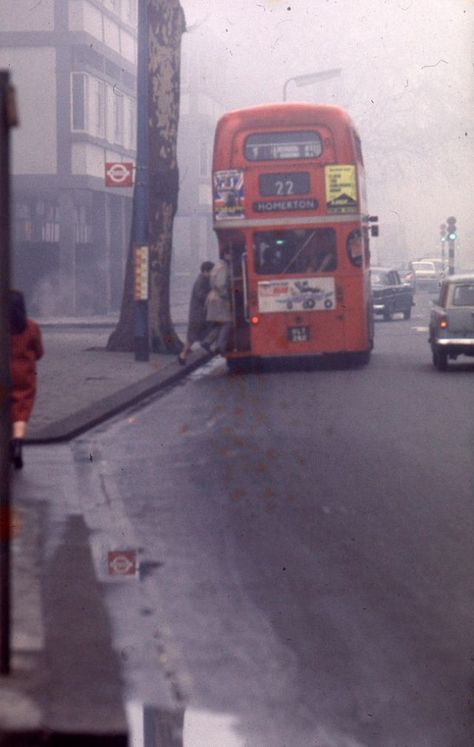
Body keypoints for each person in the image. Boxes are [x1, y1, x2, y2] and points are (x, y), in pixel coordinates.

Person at [9, 290, 43, 469]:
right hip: (25, 375)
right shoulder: (31, 327)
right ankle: (17, 443)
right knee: (22, 410)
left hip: (5, 373)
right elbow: (39, 352)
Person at [178, 261, 214, 365]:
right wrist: (210, 295)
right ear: (205, 271)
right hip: (198, 314)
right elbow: (200, 295)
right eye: (211, 271)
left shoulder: (204, 280)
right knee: (192, 337)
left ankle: (184, 355)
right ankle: (182, 355)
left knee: (195, 336)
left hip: (200, 314)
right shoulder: (201, 281)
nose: (212, 274)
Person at [203, 248, 233, 355]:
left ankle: (208, 341)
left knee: (220, 323)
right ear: (226, 255)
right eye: (230, 254)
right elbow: (220, 285)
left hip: (214, 298)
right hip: (219, 299)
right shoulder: (223, 267)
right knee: (227, 322)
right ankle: (219, 346)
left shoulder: (217, 266)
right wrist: (227, 296)